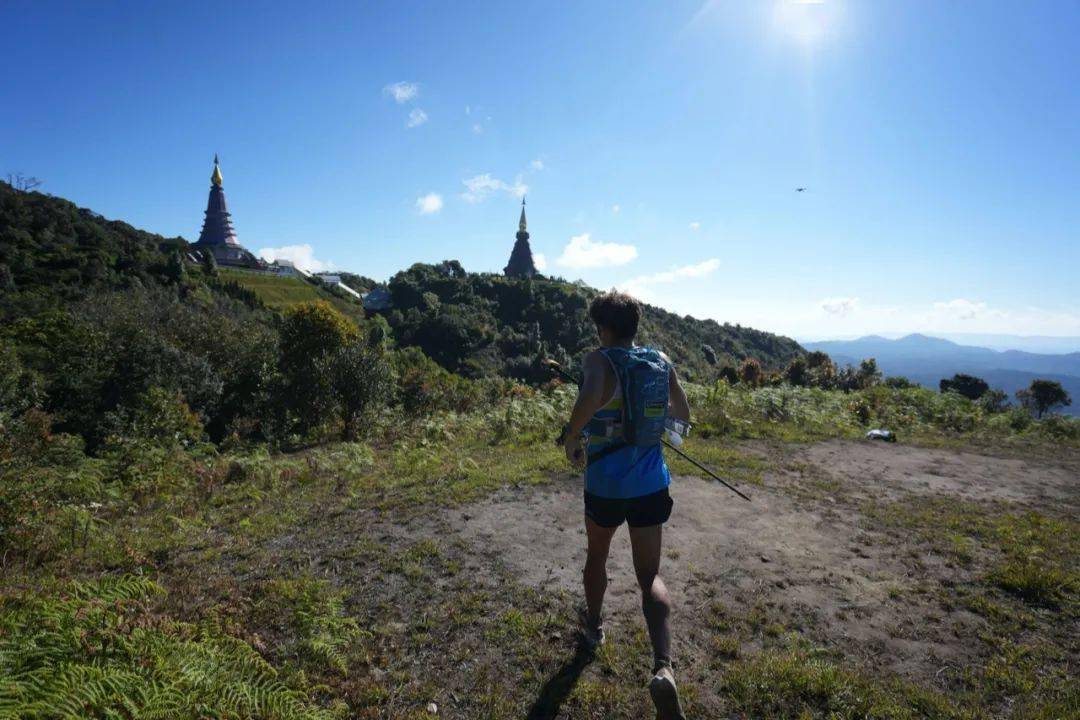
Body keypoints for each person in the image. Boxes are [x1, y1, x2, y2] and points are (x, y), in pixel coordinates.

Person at [562, 290, 690, 720]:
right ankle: (664, 666)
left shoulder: (599, 360)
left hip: (606, 484)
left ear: (602, 327)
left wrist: (570, 437)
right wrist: (656, 435)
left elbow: (588, 400)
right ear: (635, 325)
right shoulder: (660, 360)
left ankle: (595, 629)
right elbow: (682, 415)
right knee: (649, 573)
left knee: (597, 555)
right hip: (651, 483)